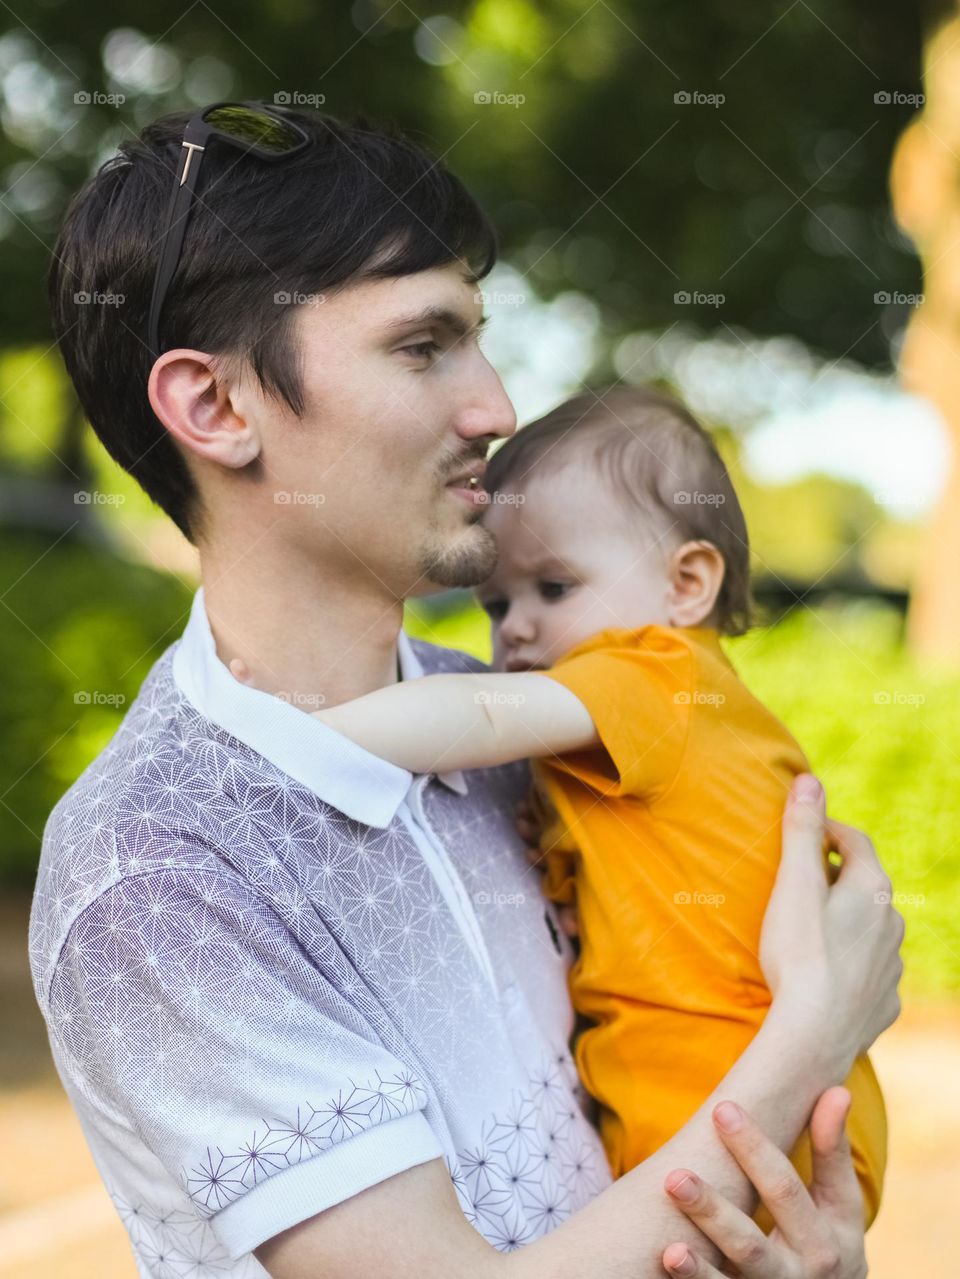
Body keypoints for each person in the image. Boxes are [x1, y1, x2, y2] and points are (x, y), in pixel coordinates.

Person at [31, 100, 903, 1279]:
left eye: (478, 339)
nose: (496, 407)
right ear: (216, 407)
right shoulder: (155, 866)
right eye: (423, 345)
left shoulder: (525, 723)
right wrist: (815, 1030)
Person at [237, 384, 887, 1229]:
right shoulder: (660, 724)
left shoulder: (655, 673)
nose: (516, 632)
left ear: (686, 583)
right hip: (761, 1106)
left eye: (555, 585)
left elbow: (473, 716)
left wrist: (295, 728)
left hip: (724, 1091)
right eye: (499, 604)